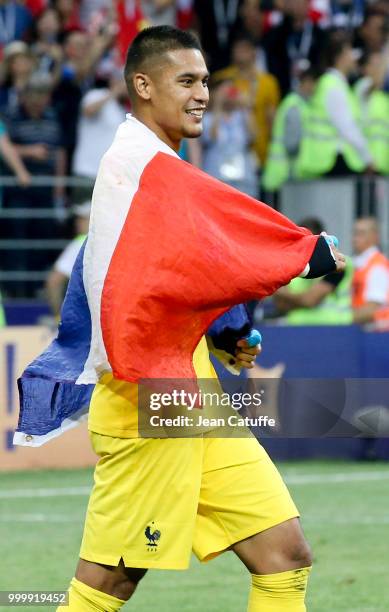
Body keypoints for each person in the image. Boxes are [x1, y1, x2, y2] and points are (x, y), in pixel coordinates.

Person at [15, 26, 345, 612]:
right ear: (142, 85)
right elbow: (222, 224)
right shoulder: (139, 163)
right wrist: (301, 251)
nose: (202, 95)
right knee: (107, 585)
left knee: (284, 557)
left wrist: (227, 328)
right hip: (146, 397)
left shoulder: (155, 168)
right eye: (187, 81)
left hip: (192, 390)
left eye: (206, 82)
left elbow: (180, 267)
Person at [297, 30, 374, 177]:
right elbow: (346, 127)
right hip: (331, 161)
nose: (353, 57)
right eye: (350, 51)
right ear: (341, 56)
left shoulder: (335, 84)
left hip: (327, 161)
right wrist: (367, 157)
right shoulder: (333, 85)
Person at [212, 34, 281, 167]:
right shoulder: (222, 79)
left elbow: (272, 119)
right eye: (237, 49)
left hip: (261, 150)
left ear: (254, 52)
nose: (240, 53)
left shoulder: (268, 82)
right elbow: (210, 108)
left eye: (245, 49)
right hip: (227, 151)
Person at [273, 217, 353, 324]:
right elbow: (281, 305)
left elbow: (310, 300)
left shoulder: (337, 263)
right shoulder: (295, 264)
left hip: (332, 328)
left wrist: (282, 293)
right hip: (296, 328)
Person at [262, 65, 317, 192]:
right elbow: (291, 144)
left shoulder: (297, 104)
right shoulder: (295, 106)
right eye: (314, 83)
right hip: (284, 176)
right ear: (307, 82)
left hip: (283, 176)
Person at [201, 79, 258, 197]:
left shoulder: (241, 116)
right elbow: (212, 137)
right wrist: (218, 104)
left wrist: (245, 107)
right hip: (217, 176)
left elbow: (253, 135)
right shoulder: (208, 118)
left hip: (242, 177)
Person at [45, 202, 90, 318]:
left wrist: (58, 317)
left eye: (83, 219)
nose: (78, 222)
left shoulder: (81, 243)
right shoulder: (115, 242)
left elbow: (54, 281)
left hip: (83, 317)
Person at [352, 216, 389, 325]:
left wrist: (340, 319)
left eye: (361, 234)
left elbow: (373, 308)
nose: (355, 238)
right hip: (363, 328)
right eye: (355, 233)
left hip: (375, 332)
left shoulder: (377, 266)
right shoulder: (359, 262)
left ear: (374, 237)